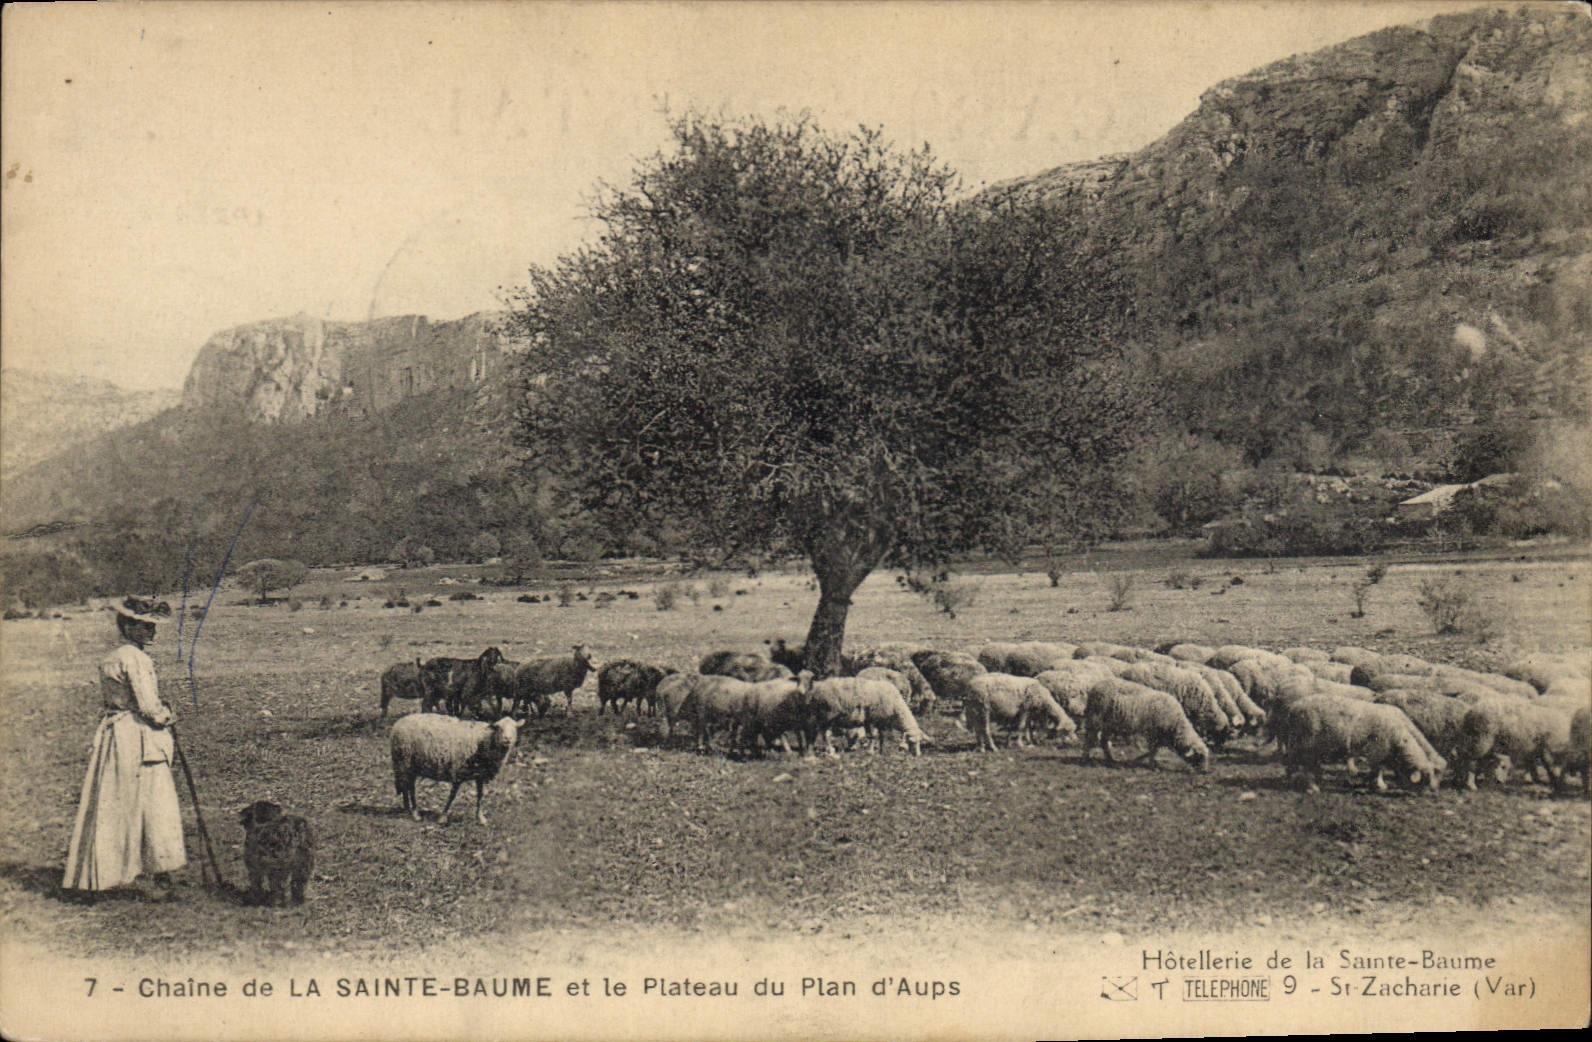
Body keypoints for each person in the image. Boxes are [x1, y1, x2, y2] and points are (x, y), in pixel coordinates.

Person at [61, 596, 187, 899]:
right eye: (144, 626)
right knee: (156, 806)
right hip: (139, 738)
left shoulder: (114, 656)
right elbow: (148, 707)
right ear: (127, 626)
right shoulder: (136, 659)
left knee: (113, 803)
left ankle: (104, 874)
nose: (151, 632)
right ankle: (159, 875)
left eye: (153, 626)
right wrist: (167, 715)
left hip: (116, 737)